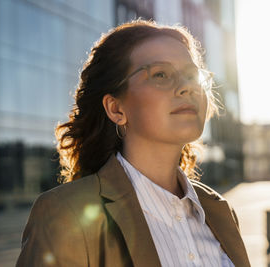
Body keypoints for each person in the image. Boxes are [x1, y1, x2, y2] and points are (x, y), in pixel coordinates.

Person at [16, 19, 250, 267]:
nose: (187, 87)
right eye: (161, 74)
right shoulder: (64, 213)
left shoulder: (219, 211)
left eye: (192, 75)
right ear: (116, 109)